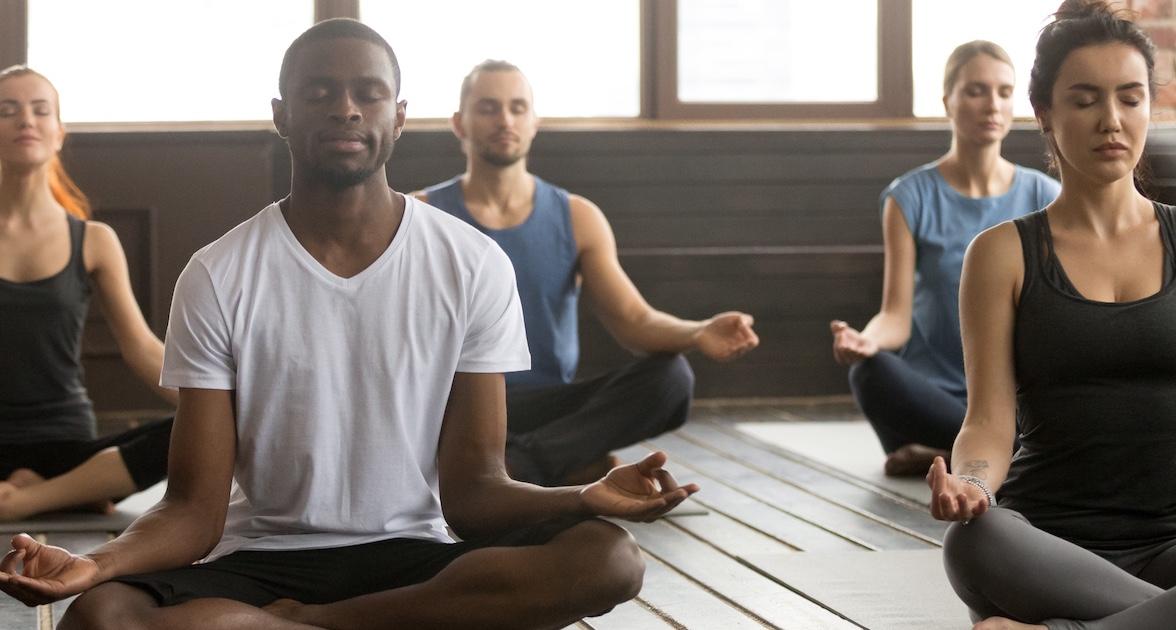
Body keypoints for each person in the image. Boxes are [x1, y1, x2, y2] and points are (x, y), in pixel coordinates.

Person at [0, 20, 699, 630]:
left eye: (367, 93)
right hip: (263, 560)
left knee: (606, 558)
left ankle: (314, 626)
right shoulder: (218, 274)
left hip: (415, 556)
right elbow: (192, 510)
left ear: (398, 115)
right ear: (280, 114)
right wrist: (95, 563)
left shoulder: (469, 264)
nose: (345, 109)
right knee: (102, 616)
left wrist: (582, 497)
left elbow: (475, 491)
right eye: (318, 92)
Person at [927, 2, 1176, 628]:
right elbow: (987, 417)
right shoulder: (1002, 253)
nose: (1112, 120)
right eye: (1086, 99)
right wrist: (975, 486)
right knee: (974, 541)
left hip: (1171, 543)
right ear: (1045, 113)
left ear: (1152, 106)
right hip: (1042, 546)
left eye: (1130, 98)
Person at [416, 60, 759, 486]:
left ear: (534, 121)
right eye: (488, 108)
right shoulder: (423, 216)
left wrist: (699, 331)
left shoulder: (577, 217)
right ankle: (565, 468)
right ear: (459, 123)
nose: (505, 120)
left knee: (671, 378)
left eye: (517, 107)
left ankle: (521, 469)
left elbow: (636, 321)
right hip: (458, 408)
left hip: (548, 408)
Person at [830, 41, 1060, 476]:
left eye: (1005, 92)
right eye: (975, 90)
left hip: (1010, 401)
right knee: (868, 373)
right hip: (929, 396)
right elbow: (895, 316)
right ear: (947, 101)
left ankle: (945, 453)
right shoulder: (908, 197)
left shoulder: (1043, 196)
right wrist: (866, 342)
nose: (992, 104)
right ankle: (1000, 456)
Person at [0, 65, 176, 521]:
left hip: (68, 445)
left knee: (201, 425)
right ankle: (69, 496)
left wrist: (217, 410)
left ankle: (26, 500)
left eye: (40, 111)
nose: (26, 120)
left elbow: (140, 348)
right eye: (8, 110)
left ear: (59, 133)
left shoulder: (94, 240)